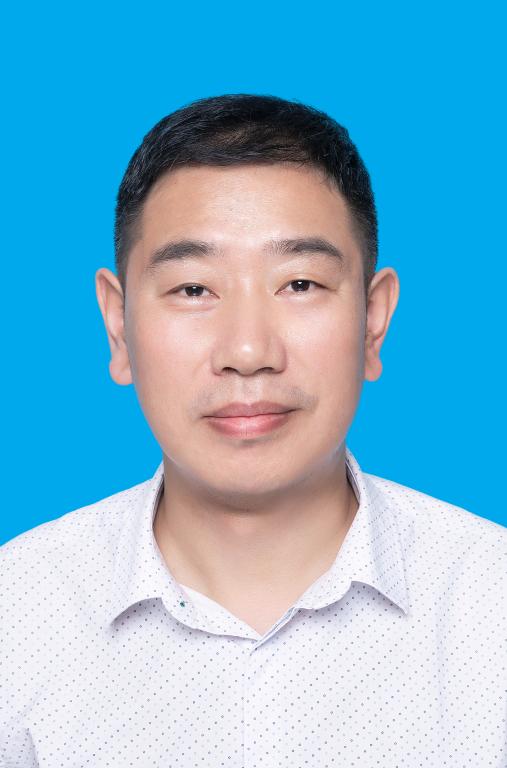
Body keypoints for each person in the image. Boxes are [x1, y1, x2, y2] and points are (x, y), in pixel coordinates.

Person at [1, 94, 506, 767]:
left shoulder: (490, 604)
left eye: (299, 284)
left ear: (373, 321)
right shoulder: (18, 613)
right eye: (193, 289)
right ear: (118, 327)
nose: (246, 351)